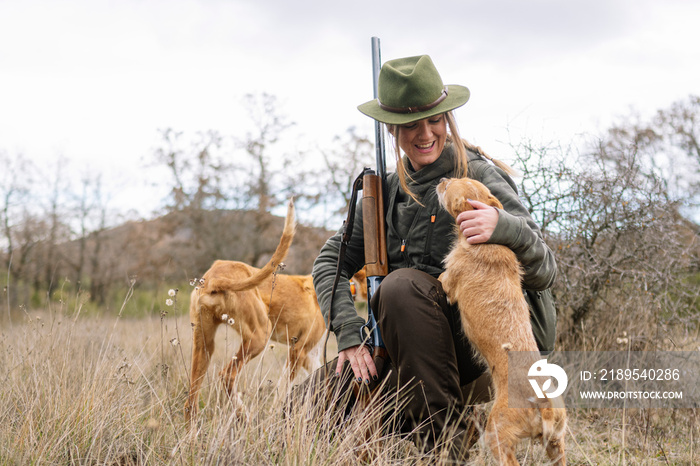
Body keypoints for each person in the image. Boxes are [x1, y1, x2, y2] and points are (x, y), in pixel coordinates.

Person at [311, 55, 557, 458]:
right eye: (410, 125)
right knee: (310, 410)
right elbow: (329, 264)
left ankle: (442, 447)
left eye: (435, 120)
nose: (425, 134)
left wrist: (504, 228)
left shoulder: (478, 178)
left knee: (401, 288)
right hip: (408, 348)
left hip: (485, 354)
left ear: (448, 119)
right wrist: (350, 336)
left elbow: (546, 270)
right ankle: (448, 422)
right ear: (393, 129)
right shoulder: (384, 191)